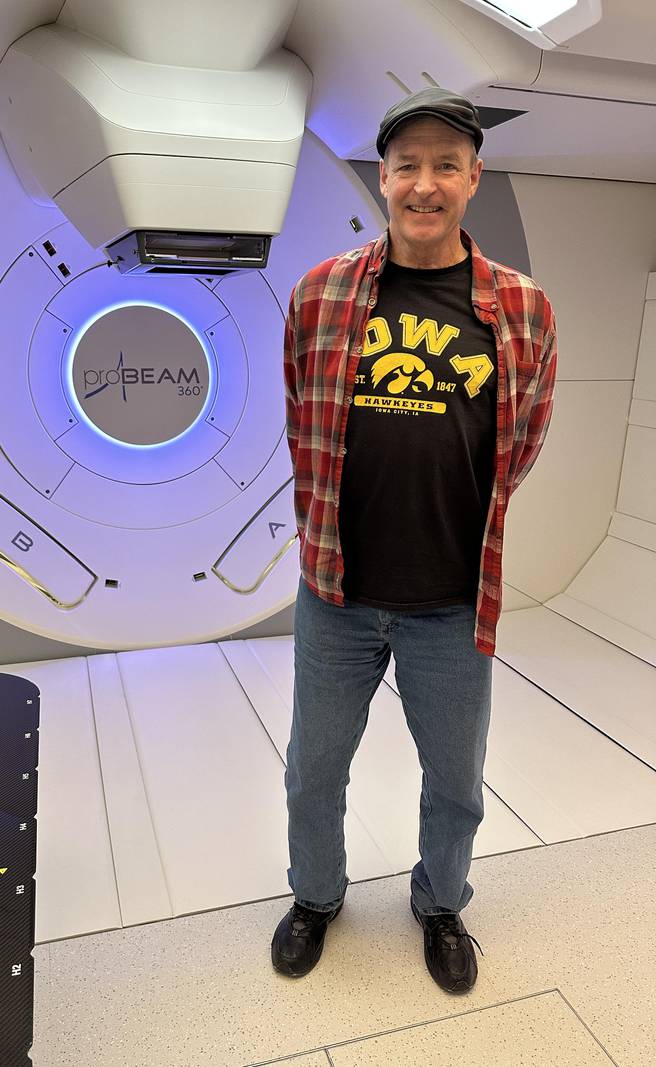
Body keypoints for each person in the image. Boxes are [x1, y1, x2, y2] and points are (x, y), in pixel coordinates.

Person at [272, 87, 558, 993]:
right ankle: (316, 897)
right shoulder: (320, 292)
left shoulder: (523, 307)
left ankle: (440, 904)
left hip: (450, 602)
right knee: (313, 771)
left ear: (474, 177)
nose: (424, 184)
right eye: (407, 165)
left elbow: (523, 439)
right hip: (338, 594)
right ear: (383, 178)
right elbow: (298, 412)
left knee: (457, 783)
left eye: (445, 165)